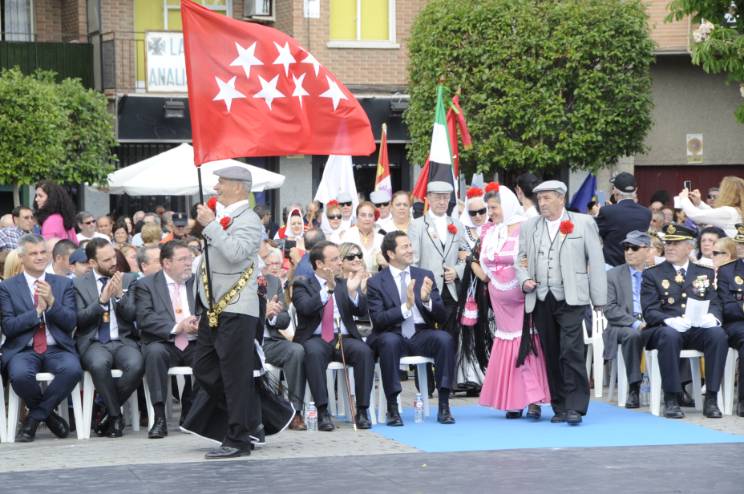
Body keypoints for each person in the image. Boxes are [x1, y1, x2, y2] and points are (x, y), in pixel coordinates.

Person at [184, 166, 264, 459]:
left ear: (239, 187)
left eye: (222, 182)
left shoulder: (250, 220)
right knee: (204, 368)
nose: (216, 187)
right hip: (213, 307)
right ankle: (250, 416)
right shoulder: (220, 218)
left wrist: (211, 225)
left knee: (234, 374)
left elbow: (235, 254)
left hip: (237, 306)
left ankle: (238, 438)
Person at [515, 180, 607, 425]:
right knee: (551, 352)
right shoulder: (530, 227)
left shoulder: (583, 223)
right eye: (539, 199)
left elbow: (596, 261)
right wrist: (524, 280)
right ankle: (560, 406)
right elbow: (520, 259)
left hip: (572, 296)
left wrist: (599, 298)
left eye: (547, 198)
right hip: (541, 296)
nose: (542, 203)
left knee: (571, 350)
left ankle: (576, 406)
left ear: (561, 199)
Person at [474, 184, 550, 418]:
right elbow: (484, 264)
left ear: (506, 205)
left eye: (494, 207)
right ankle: (514, 400)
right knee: (507, 344)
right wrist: (474, 265)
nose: (490, 213)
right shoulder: (492, 231)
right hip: (498, 297)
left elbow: (532, 259)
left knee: (525, 344)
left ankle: (534, 399)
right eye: (488, 208)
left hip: (521, 295)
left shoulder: (526, 228)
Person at [366, 231, 457, 425]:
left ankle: (444, 405)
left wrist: (426, 300)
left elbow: (442, 316)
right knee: (389, 342)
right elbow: (378, 320)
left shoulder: (424, 275)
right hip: (392, 333)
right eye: (404, 247)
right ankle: (392, 407)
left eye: (410, 245)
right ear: (391, 253)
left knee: (444, 339)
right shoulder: (376, 282)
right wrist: (405, 307)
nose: (410, 250)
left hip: (421, 333)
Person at [0, 234, 82, 442]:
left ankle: (33, 420)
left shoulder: (63, 284)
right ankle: (50, 417)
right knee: (20, 375)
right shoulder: (7, 287)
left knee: (72, 369)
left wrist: (53, 303)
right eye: (33, 253)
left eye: (43, 252)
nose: (39, 257)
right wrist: (36, 312)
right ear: (21, 258)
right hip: (24, 349)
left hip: (57, 348)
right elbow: (9, 327)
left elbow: (71, 322)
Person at [641, 223, 728, 419]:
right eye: (668, 243)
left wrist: (712, 317)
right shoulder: (653, 273)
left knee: (718, 335)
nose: (669, 247)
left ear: (689, 247)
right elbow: (649, 310)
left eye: (675, 243)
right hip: (665, 329)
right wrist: (668, 320)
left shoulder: (704, 272)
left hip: (696, 328)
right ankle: (672, 398)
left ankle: (711, 398)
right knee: (670, 335)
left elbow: (715, 302)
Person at [291, 240, 374, 431]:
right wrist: (327, 289)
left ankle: (362, 410)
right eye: (335, 259)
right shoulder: (302, 284)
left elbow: (361, 311)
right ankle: (323, 411)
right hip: (316, 338)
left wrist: (353, 292)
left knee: (364, 352)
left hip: (344, 338)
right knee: (313, 353)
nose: (340, 262)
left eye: (339, 258)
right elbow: (306, 308)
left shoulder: (344, 283)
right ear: (320, 264)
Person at [74, 238, 144, 437]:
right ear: (92, 263)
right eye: (106, 260)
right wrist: (102, 301)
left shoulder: (129, 279)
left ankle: (106, 412)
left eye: (114, 257)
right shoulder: (78, 284)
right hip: (94, 342)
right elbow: (79, 320)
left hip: (123, 340)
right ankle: (115, 416)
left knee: (137, 364)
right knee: (98, 365)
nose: (114, 262)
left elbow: (132, 316)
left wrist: (120, 296)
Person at [135, 240, 198, 438]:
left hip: (194, 340)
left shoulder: (198, 282)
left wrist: (200, 323)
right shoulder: (146, 284)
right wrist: (178, 327)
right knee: (154, 353)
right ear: (167, 263)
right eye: (182, 259)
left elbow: (209, 310)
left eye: (190, 258)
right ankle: (159, 417)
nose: (188, 263)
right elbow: (145, 318)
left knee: (211, 354)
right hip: (164, 342)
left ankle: (190, 407)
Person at [408, 181, 467, 339]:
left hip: (451, 290)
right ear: (428, 198)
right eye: (437, 197)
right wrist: (417, 289)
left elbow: (465, 255)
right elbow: (413, 261)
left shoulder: (457, 225)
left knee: (451, 336)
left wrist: (457, 271)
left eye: (445, 198)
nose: (442, 202)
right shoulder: (417, 225)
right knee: (429, 335)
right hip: (426, 290)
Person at [603, 231, 652, 408]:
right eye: (626, 247)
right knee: (633, 335)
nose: (629, 252)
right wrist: (636, 323)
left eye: (634, 247)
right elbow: (609, 309)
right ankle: (634, 387)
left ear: (647, 250)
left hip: (652, 322)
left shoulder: (656, 273)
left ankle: (679, 388)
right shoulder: (613, 275)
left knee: (675, 333)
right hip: (622, 325)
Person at [260, 267, 307, 431]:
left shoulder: (272, 282)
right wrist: (262, 312)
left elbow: (285, 319)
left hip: (270, 342)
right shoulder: (235, 280)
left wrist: (272, 316)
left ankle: (295, 412)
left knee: (296, 350)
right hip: (246, 341)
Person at [595, 172, 652, 267]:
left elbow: (595, 234)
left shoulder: (607, 211)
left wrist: (597, 215)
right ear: (636, 190)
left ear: (615, 191)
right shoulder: (646, 213)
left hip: (612, 267)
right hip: (636, 266)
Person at [718, 224, 744, 415]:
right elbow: (726, 306)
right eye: (739, 243)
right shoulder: (727, 271)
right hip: (737, 323)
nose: (740, 247)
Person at [677, 176, 744, 238]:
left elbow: (695, 215)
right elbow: (715, 214)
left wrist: (684, 199)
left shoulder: (729, 212)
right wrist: (699, 203)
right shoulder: (736, 211)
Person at [341, 201, 386, 273]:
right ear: (357, 217)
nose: (367, 219)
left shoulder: (381, 238)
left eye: (370, 215)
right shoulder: (347, 235)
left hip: (376, 277)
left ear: (374, 218)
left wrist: (384, 263)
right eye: (363, 215)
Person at [459, 186, 489, 251]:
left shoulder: (495, 226)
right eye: (473, 213)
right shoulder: (461, 230)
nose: (477, 216)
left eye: (481, 211)